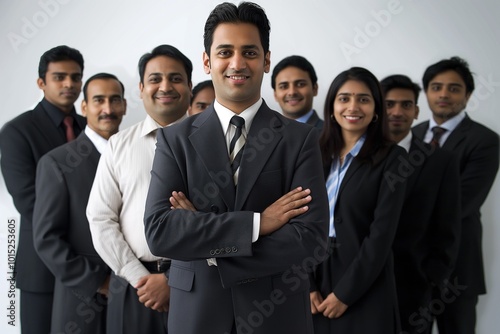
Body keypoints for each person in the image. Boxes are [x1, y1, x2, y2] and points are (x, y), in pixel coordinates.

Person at [143, 2, 329, 334]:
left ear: (266, 60)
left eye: (250, 52)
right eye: (225, 52)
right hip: (196, 314)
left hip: (277, 315)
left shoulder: (301, 139)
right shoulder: (175, 139)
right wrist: (259, 224)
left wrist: (206, 242)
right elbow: (160, 231)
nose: (237, 63)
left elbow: (309, 239)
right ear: (207, 61)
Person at [86, 45, 192, 334]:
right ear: (142, 88)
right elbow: (100, 218)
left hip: (198, 286)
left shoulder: (215, 145)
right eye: (155, 79)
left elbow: (220, 222)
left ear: (190, 87)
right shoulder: (118, 145)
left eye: (176, 78)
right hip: (134, 287)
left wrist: (174, 277)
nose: (165, 86)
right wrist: (140, 278)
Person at [309, 67, 407, 334]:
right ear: (331, 107)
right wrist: (305, 284)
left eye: (363, 99)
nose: (353, 106)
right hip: (314, 275)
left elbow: (381, 235)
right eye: (344, 98)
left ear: (376, 109)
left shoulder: (393, 159)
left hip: (363, 279)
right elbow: (297, 220)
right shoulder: (314, 153)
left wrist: (346, 293)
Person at [0, 45, 86, 334]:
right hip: (41, 265)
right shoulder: (16, 132)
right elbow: (29, 201)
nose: (69, 84)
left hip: (93, 264)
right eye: (59, 77)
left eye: (75, 77)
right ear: (41, 83)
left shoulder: (92, 128)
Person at [32, 73, 126, 333]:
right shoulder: (57, 164)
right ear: (84, 107)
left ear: (125, 105)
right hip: (82, 302)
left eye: (115, 100)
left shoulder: (139, 155)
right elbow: (47, 239)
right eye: (99, 100)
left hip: (135, 299)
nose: (108, 109)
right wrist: (99, 281)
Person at [413, 56, 500, 334]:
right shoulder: (409, 136)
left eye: (454, 88)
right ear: (426, 92)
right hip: (410, 264)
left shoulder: (484, 140)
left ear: (468, 94)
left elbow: (462, 202)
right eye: (436, 87)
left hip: (458, 266)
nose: (443, 94)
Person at [380, 74, 461, 334]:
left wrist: (432, 279)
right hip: (359, 284)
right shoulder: (357, 156)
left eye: (406, 105)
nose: (397, 111)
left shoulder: (440, 161)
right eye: (389, 104)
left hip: (415, 287)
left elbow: (447, 226)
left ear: (416, 111)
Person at [271, 55, 323, 129]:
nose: (292, 92)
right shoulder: (263, 136)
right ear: (275, 94)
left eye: (300, 84)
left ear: (315, 89)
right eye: (283, 86)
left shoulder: (333, 134)